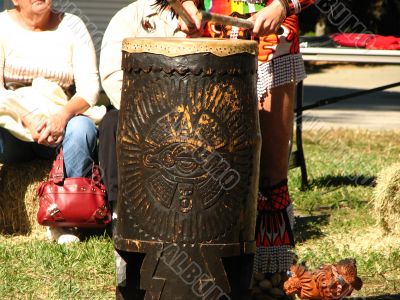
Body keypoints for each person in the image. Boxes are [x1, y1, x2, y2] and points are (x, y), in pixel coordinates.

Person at [157, 0, 315, 288]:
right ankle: (205, 269)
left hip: (272, 42)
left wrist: (283, 5)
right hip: (211, 40)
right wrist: (184, 7)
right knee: (207, 165)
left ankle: (268, 276)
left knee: (271, 170)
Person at [98, 0, 185, 298]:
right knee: (111, 122)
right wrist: (150, 116)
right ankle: (121, 216)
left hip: (192, 116)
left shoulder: (209, 14)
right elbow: (112, 75)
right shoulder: (129, 17)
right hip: (140, 112)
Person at [0, 0, 100, 244]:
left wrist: (62, 116)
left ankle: (66, 220)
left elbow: (90, 89)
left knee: (83, 128)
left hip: (59, 120)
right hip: (12, 124)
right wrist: (25, 116)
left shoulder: (72, 25)